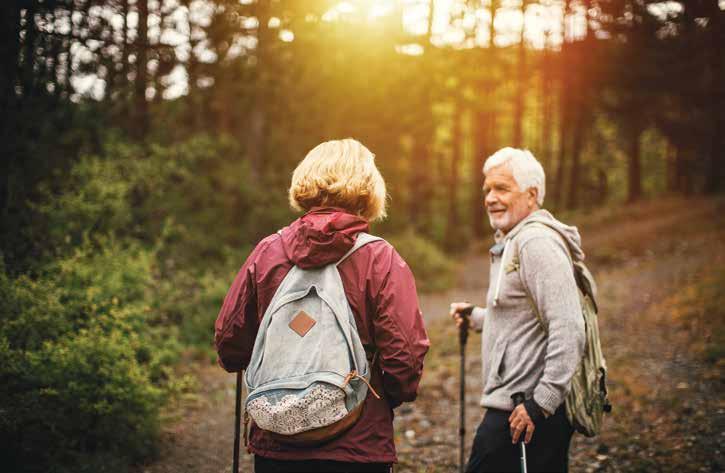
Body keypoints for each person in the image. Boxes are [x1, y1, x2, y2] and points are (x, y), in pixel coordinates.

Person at [214, 138, 429, 473]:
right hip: (357, 442)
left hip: (277, 437)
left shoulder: (267, 252)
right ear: (368, 188)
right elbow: (405, 356)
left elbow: (230, 345)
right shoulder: (380, 258)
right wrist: (382, 397)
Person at [450, 147, 586, 473]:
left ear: (532, 194)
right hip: (518, 406)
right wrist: (478, 317)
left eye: (502, 188)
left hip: (525, 410)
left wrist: (541, 403)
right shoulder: (514, 240)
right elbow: (523, 316)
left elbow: (569, 325)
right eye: (487, 190)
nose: (490, 198)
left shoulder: (535, 243)